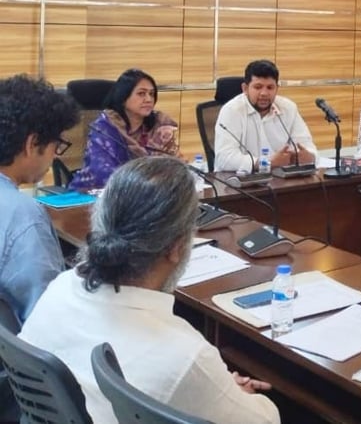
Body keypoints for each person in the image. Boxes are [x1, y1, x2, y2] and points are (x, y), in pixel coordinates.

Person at [19, 157, 280, 424]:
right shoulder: (185, 356)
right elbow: (266, 421)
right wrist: (232, 393)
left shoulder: (60, 288)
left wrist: (213, 390)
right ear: (177, 247)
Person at [0, 74, 80, 324]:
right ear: (32, 143)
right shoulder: (24, 217)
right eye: (57, 146)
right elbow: (49, 319)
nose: (56, 156)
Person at [69, 69, 179, 189]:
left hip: (152, 192)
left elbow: (173, 167)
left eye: (152, 94)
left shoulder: (160, 125)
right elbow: (102, 174)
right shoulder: (105, 128)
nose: (149, 99)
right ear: (123, 98)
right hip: (98, 193)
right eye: (141, 93)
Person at [214, 59, 317, 172]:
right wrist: (266, 163)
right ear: (245, 89)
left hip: (280, 178)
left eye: (270, 87)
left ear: (277, 88)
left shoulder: (288, 108)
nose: (264, 93)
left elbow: (306, 145)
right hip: (239, 179)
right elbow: (224, 158)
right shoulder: (232, 111)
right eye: (258, 87)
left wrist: (309, 157)